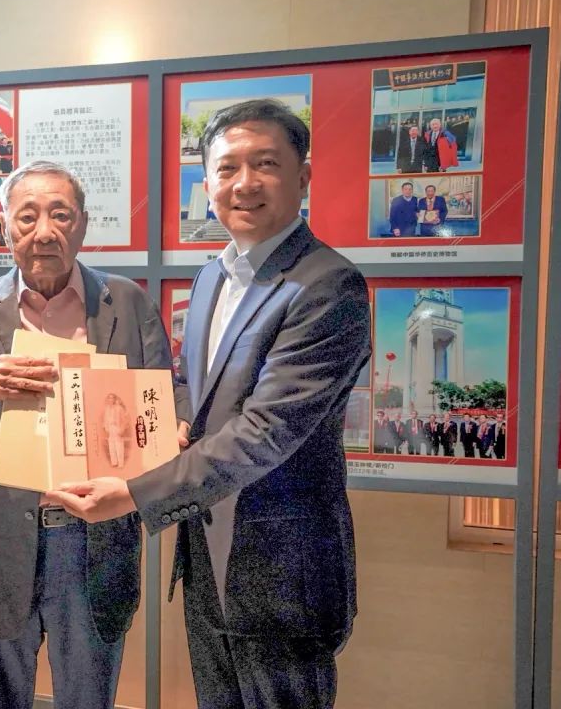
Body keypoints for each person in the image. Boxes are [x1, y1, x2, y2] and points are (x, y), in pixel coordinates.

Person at [48, 99, 370, 708]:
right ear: (208, 182)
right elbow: (196, 394)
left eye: (265, 163)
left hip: (283, 577)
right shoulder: (212, 277)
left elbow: (266, 431)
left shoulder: (328, 285)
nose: (244, 183)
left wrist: (135, 492)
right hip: (206, 564)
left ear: (302, 177)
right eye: (226, 168)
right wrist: (168, 425)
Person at [0, 159, 180, 709]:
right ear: (5, 227)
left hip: (94, 542)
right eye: (28, 216)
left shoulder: (126, 303)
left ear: (82, 225)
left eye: (60, 215)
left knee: (88, 698)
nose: (44, 231)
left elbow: (164, 398)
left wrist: (168, 435)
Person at [102, 393, 130, 468]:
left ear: (114, 399)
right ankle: (114, 462)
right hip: (110, 428)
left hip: (117, 427)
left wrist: (122, 429)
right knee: (111, 445)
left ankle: (121, 463)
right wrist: (106, 428)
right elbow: (105, 419)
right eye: (109, 398)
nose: (110, 400)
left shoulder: (119, 408)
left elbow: (124, 420)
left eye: (112, 398)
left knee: (119, 445)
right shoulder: (107, 409)